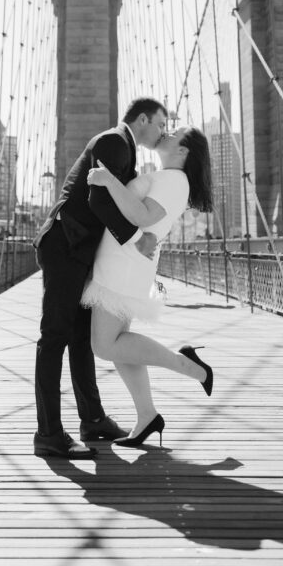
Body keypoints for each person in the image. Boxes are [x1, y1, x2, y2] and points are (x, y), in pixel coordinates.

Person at [33, 97, 168, 459]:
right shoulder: (114, 141)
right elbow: (98, 199)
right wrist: (138, 240)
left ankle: (92, 419)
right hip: (65, 244)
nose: (162, 131)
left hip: (77, 250)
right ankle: (48, 433)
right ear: (142, 119)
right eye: (160, 123)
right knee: (55, 335)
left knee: (79, 337)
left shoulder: (123, 148)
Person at [82, 125, 214, 447]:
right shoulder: (167, 177)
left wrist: (108, 179)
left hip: (124, 267)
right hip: (120, 261)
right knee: (118, 345)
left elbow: (142, 215)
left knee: (104, 345)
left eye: (174, 134)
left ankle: (191, 367)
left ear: (183, 151)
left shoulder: (175, 180)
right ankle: (147, 416)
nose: (166, 133)